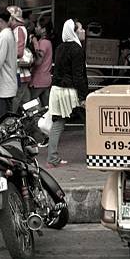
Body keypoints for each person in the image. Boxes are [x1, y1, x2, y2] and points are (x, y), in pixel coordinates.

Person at [47, 19, 88, 168]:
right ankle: (93, 155)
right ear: (74, 32)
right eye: (81, 29)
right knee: (89, 122)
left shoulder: (60, 48)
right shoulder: (77, 49)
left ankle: (52, 158)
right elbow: (78, 76)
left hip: (57, 90)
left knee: (57, 124)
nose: (84, 31)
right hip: (71, 92)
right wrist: (83, 96)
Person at [7, 6, 32, 112]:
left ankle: (9, 123)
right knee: (26, 100)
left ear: (12, 18)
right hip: (22, 73)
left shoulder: (18, 30)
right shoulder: (20, 29)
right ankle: (33, 122)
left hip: (19, 72)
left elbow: (19, 51)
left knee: (16, 100)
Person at [29, 19, 53, 107]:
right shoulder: (48, 42)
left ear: (43, 29)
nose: (35, 28)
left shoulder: (42, 43)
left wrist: (35, 43)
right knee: (45, 107)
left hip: (38, 79)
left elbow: (39, 61)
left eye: (38, 26)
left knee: (30, 105)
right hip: (46, 79)